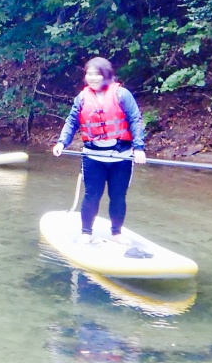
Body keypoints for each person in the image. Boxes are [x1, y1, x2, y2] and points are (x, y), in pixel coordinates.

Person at [51, 57, 146, 244]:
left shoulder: (122, 94)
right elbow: (72, 122)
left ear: (106, 75)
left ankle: (116, 232)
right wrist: (62, 143)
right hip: (93, 156)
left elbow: (135, 120)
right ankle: (86, 232)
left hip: (121, 156)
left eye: (97, 74)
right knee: (92, 195)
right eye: (89, 74)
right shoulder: (81, 98)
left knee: (118, 196)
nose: (92, 78)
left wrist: (139, 148)